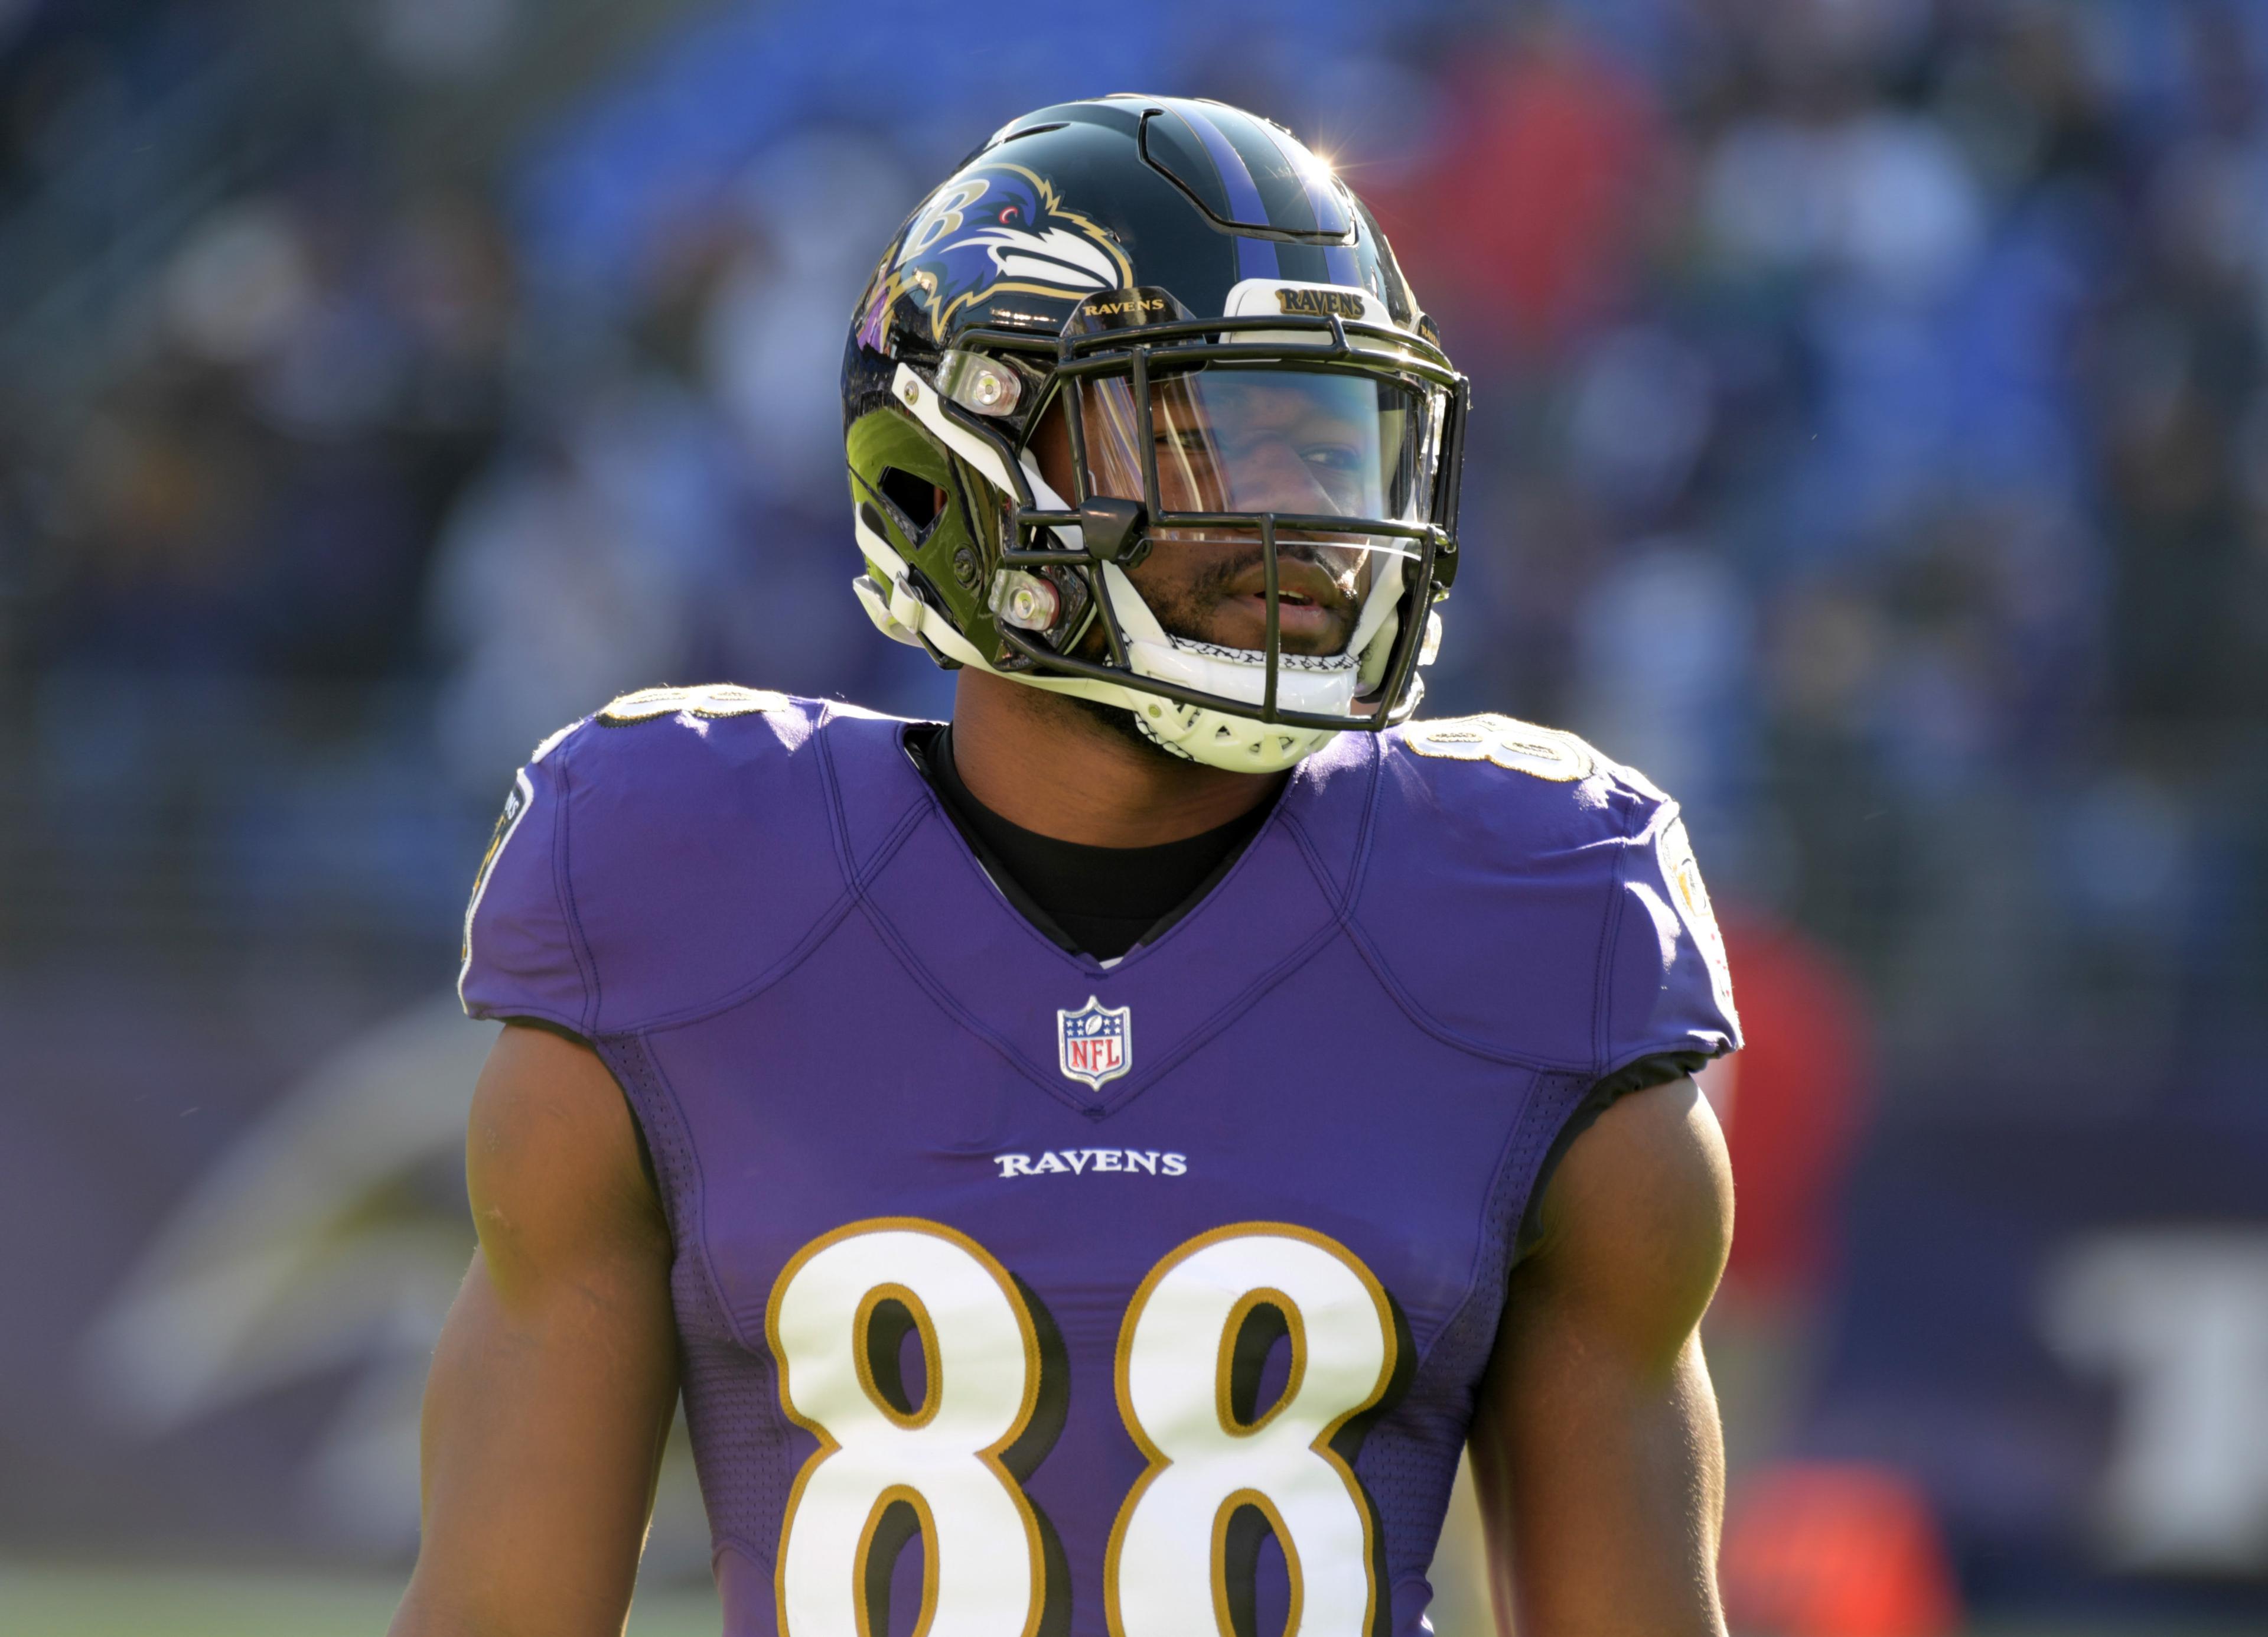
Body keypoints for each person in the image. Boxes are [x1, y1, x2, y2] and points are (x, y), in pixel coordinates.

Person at [392, 95, 1740, 1637]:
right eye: (1223, 435)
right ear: (967, 451)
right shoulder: (677, 882)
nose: (1317, 522)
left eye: (1339, 439)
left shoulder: (1534, 912)